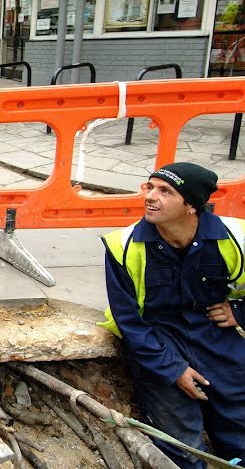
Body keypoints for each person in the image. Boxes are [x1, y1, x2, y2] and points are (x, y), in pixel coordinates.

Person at [99, 162, 245, 468]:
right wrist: (173, 369)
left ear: (191, 205)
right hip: (157, 338)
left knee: (238, 424)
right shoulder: (122, 246)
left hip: (214, 333)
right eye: (150, 187)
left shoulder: (235, 239)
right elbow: (129, 321)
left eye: (165, 191)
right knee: (182, 442)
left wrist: (240, 312)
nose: (151, 196)